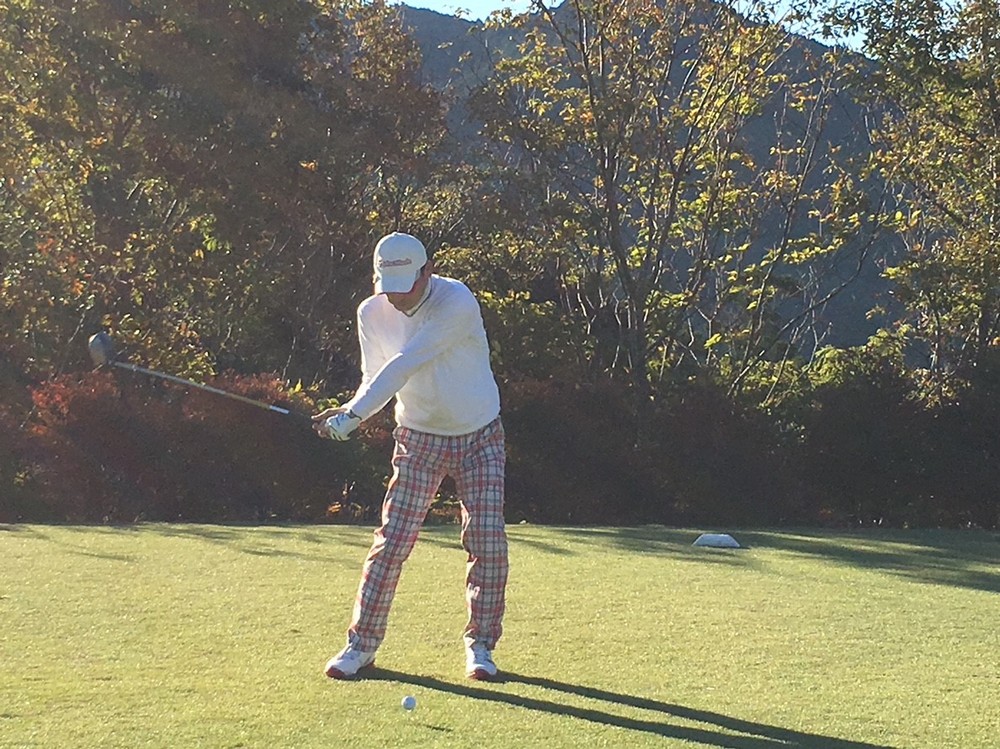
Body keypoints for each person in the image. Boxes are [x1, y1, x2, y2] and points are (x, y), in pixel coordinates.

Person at [313, 232, 509, 681]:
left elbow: (405, 362)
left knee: (487, 543)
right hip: (418, 438)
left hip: (480, 435)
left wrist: (353, 418)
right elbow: (374, 377)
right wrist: (348, 411)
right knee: (392, 543)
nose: (398, 297)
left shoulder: (456, 301)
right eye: (389, 286)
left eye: (407, 285)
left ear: (428, 271)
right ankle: (361, 646)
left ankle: (480, 646)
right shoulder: (371, 312)